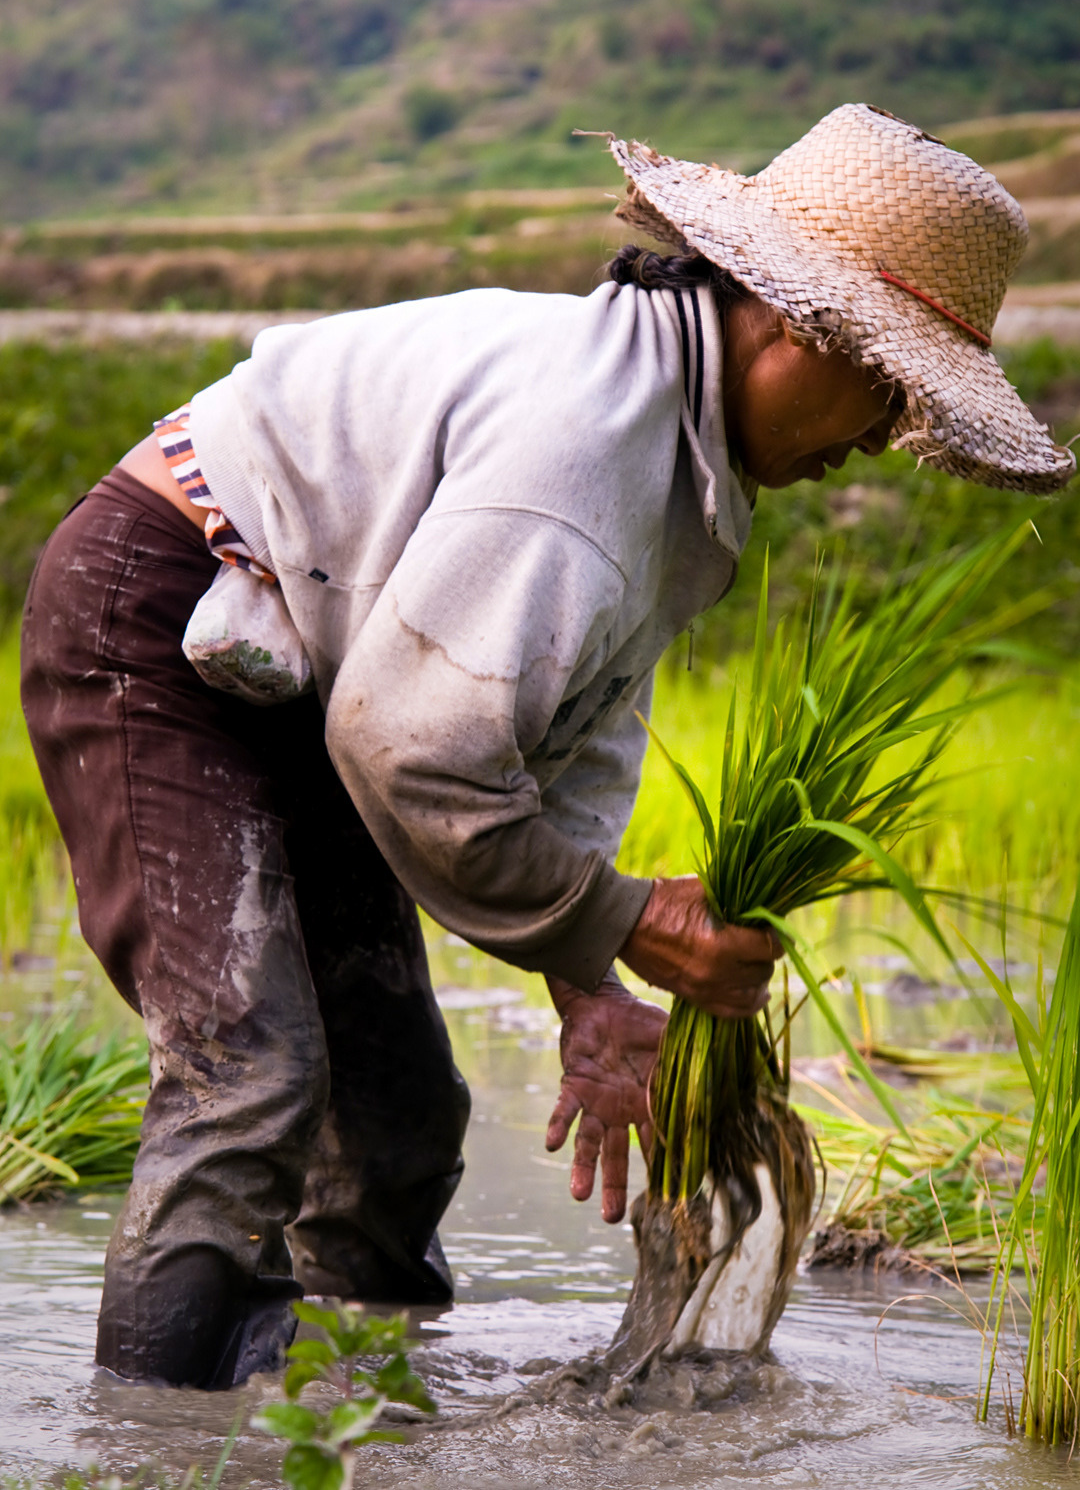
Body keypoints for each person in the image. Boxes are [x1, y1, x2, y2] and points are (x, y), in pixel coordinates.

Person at [20, 103, 1073, 1391]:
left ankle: (353, 1414)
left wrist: (591, 996)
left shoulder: (674, 448)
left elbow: (541, 732)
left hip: (313, 663)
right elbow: (412, 748)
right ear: (798, 328)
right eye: (887, 391)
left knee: (401, 1114)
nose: (878, 438)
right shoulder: (587, 445)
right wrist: (625, 918)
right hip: (163, 613)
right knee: (252, 1074)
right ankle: (149, 1443)